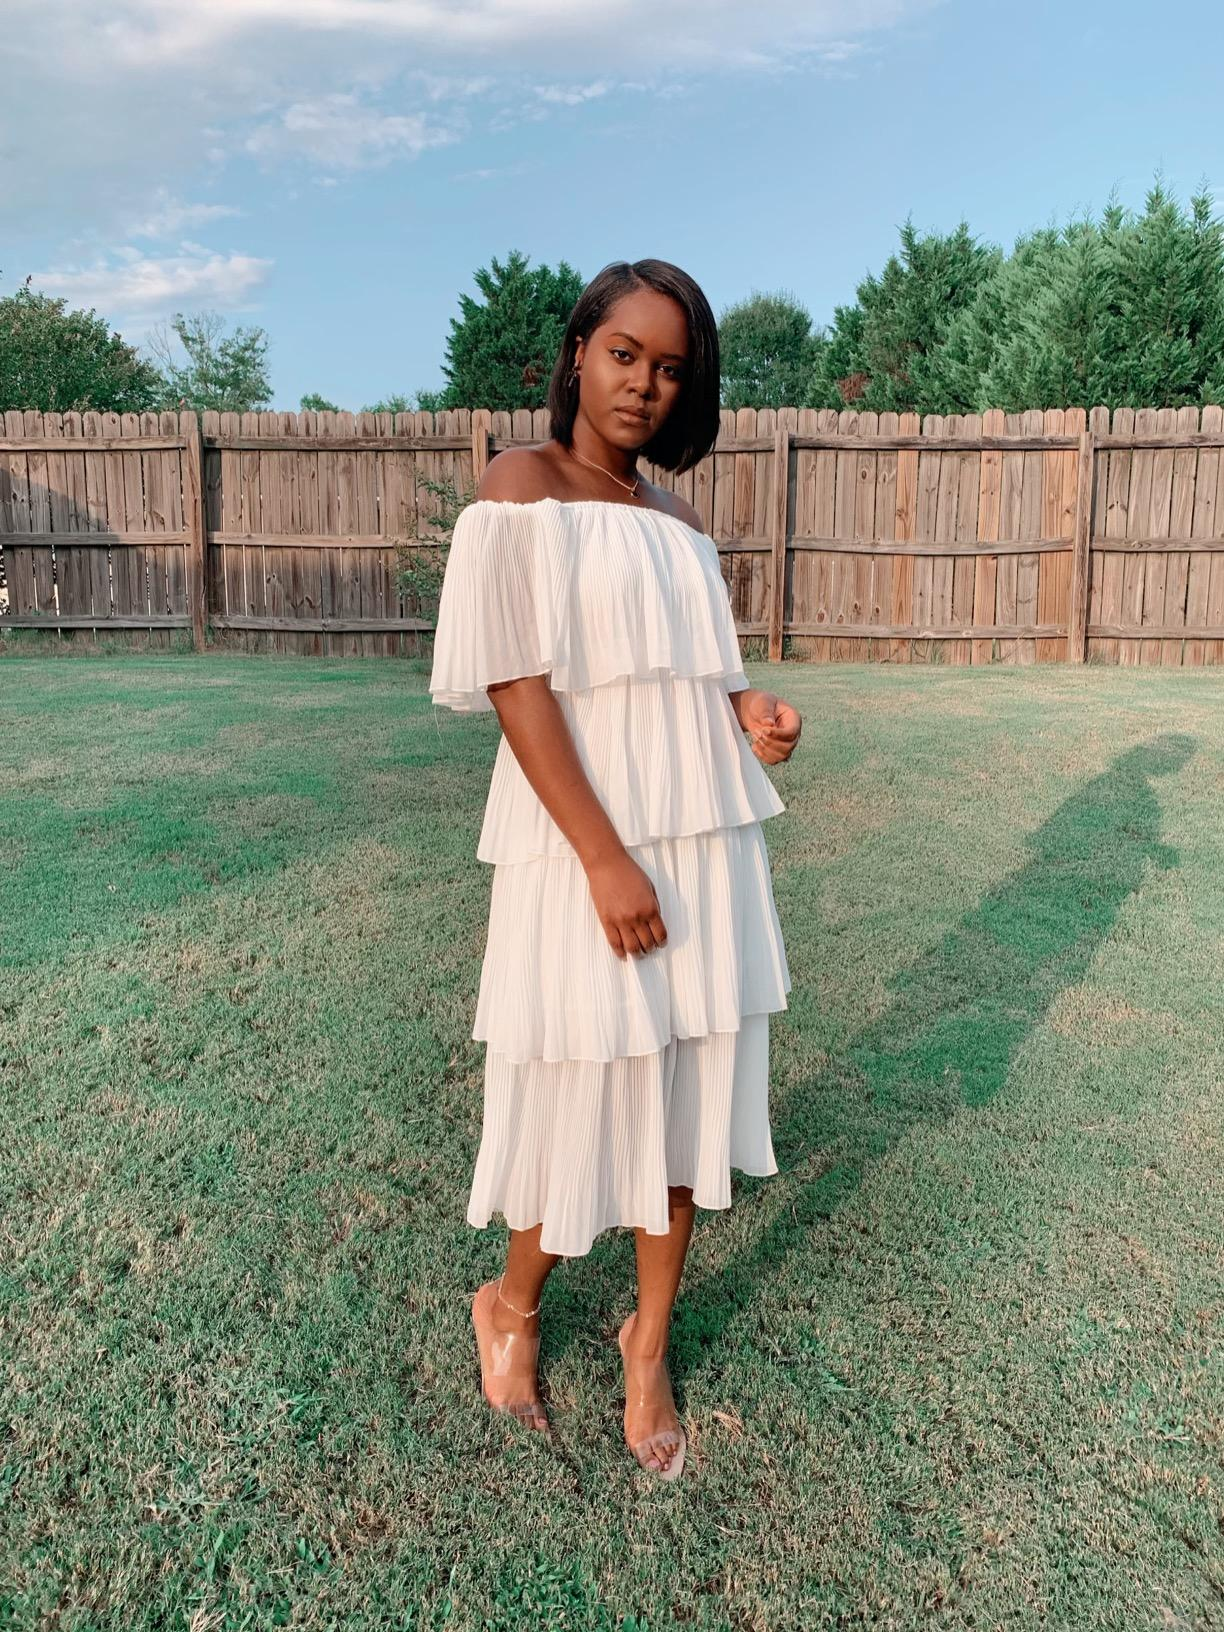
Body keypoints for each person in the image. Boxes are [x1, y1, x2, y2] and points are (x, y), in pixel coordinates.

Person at [428, 257, 802, 1480]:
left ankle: (649, 1344)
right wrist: (600, 856)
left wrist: (755, 713)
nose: (646, 383)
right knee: (581, 1075)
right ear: (579, 353)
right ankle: (514, 1307)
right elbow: (514, 677)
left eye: (671, 367)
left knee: (688, 1081)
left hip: (698, 838)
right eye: (626, 353)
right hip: (583, 841)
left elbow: (702, 674)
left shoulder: (679, 524)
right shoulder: (519, 488)